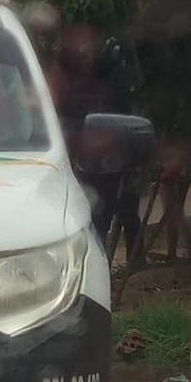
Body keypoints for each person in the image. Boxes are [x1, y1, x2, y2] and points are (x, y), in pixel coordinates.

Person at [48, 24, 142, 252]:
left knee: (112, 214)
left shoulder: (108, 81)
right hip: (72, 166)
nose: (84, 52)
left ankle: (126, 256)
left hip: (106, 164)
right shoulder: (64, 82)